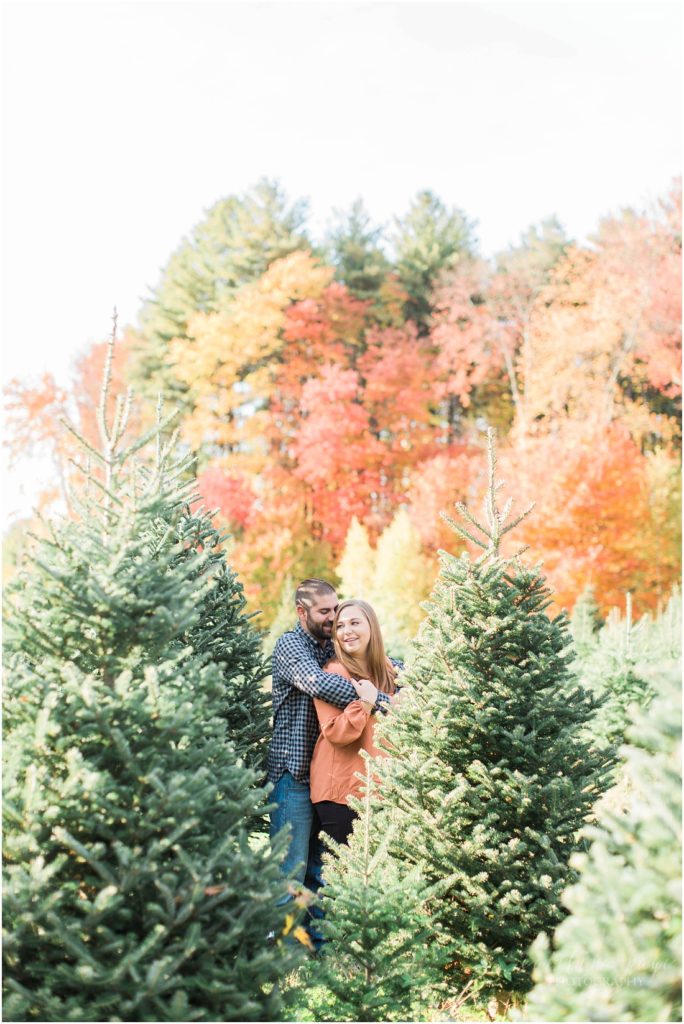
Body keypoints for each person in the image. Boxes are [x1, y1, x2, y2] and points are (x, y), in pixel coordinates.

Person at [267, 579, 391, 944]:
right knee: (290, 870)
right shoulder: (292, 646)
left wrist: (380, 680)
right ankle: (281, 955)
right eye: (325, 612)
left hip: (326, 780)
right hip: (294, 775)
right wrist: (373, 696)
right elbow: (319, 684)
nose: (333, 618)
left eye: (336, 610)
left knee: (319, 872)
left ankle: (316, 952)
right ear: (301, 612)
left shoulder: (327, 647)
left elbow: (384, 660)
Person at [310, 599, 399, 847]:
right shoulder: (334, 672)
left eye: (355, 623)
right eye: (340, 626)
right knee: (347, 876)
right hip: (342, 791)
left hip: (383, 789)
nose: (346, 631)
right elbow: (336, 732)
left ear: (372, 627)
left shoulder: (391, 670)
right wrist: (366, 704)